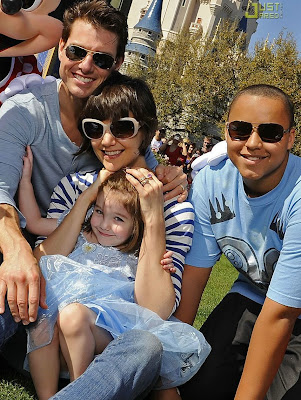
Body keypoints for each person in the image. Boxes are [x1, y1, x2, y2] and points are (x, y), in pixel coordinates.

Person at [0, 0, 186, 348]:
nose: (85, 66)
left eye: (100, 59)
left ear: (116, 65)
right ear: (60, 48)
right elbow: (0, 193)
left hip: (75, 268)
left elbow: (147, 167)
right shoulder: (23, 111)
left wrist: (172, 175)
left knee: (139, 347)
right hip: (24, 245)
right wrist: (15, 251)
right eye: (76, 51)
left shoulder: (119, 134)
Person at [25, 75, 196, 399]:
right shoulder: (74, 186)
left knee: (144, 346)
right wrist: (87, 199)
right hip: (48, 341)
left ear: (146, 131)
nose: (107, 140)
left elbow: (156, 310)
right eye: (95, 128)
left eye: (122, 128)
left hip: (114, 345)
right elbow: (44, 263)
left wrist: (153, 217)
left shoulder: (177, 210)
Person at [19, 166, 209, 400]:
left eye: (118, 218)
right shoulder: (81, 231)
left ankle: (84, 390)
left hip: (108, 328)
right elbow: (34, 223)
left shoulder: (141, 253)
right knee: (41, 317)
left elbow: (157, 297)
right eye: (99, 211)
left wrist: (161, 262)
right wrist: (26, 179)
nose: (104, 224)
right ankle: (48, 396)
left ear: (137, 224)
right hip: (62, 317)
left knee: (72, 315)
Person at [176, 84, 301, 400]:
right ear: (227, 131)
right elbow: (192, 279)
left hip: (292, 311)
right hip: (251, 298)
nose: (253, 143)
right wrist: (169, 378)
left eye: (270, 133)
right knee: (197, 387)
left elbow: (282, 314)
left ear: (290, 137)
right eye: (240, 130)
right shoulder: (210, 180)